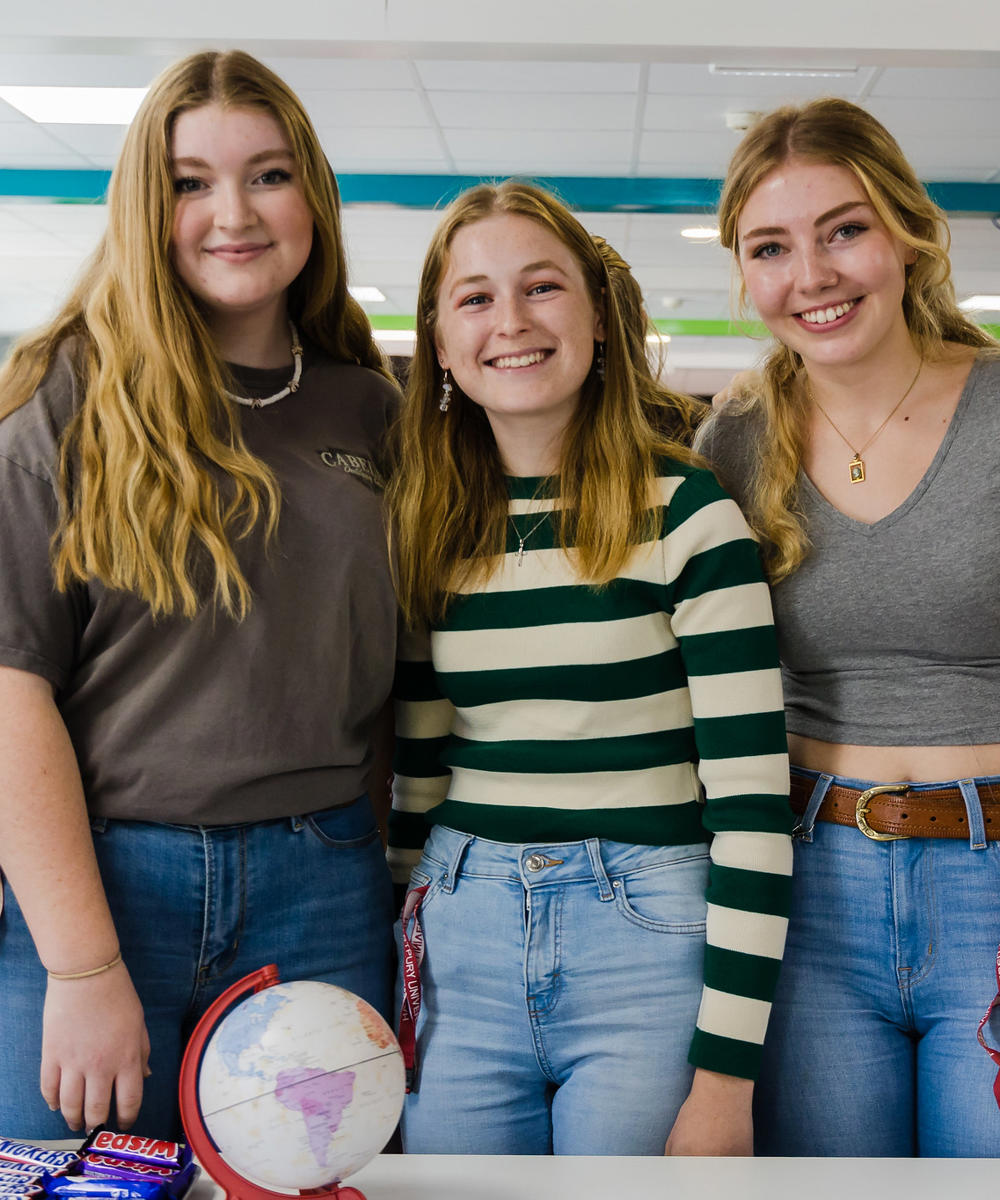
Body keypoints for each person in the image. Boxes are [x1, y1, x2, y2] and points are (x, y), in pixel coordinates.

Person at [0, 50, 399, 1139]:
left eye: (268, 175)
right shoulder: (62, 400)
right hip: (104, 885)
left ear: (310, 195)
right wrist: (83, 967)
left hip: (322, 884)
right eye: (190, 182)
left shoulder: (367, 412)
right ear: (146, 203)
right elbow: (8, 693)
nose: (233, 212)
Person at [385, 180, 793, 1156]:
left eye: (541, 288)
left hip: (645, 935)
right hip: (461, 933)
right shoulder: (431, 523)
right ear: (441, 343)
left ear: (598, 315)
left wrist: (725, 1079)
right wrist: (402, 950)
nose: (510, 322)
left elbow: (750, 809)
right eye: (473, 299)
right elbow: (417, 776)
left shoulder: (689, 513)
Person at [695, 97, 1000, 1157]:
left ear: (907, 233)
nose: (811, 274)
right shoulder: (732, 438)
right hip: (803, 884)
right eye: (770, 247)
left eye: (843, 229)